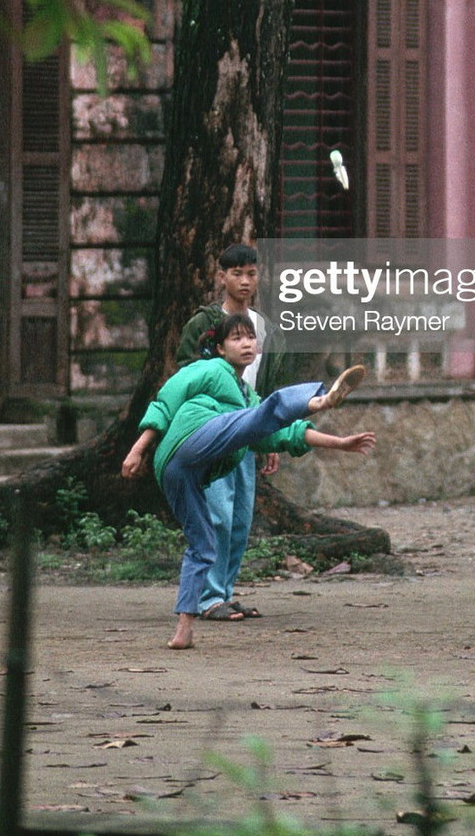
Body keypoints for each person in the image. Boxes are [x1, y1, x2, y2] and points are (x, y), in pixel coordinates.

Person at [122, 313, 375, 650]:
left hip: (181, 475)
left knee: (203, 545)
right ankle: (319, 400)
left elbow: (283, 433)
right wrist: (137, 450)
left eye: (250, 338)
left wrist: (340, 443)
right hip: (191, 437)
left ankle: (184, 630)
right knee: (254, 417)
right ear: (220, 348)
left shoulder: (248, 398)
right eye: (236, 338)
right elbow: (166, 401)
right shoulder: (208, 369)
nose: (245, 344)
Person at [174, 244, 282, 621]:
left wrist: (270, 435)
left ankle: (224, 592)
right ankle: (207, 599)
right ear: (222, 277)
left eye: (251, 273)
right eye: (236, 274)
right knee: (216, 515)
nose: (244, 281)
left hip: (248, 430)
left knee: (239, 520)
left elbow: (264, 388)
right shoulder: (204, 324)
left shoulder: (263, 328)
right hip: (214, 431)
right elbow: (186, 377)